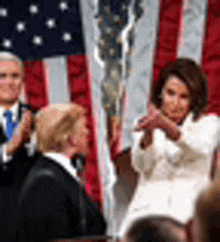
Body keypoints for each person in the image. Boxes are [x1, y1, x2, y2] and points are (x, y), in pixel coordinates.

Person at [118, 58, 219, 236]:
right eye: (170, 93)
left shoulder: (208, 124)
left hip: (187, 219)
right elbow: (141, 165)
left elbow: (200, 148)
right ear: (160, 94)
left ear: (194, 100)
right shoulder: (146, 124)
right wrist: (148, 135)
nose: (175, 103)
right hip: (145, 217)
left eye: (184, 97)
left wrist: (167, 127)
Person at [17, 104, 106, 242]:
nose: (88, 132)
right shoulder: (46, 183)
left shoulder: (58, 175)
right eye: (83, 127)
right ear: (70, 138)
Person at [0, 52, 36, 242]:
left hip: (33, 225)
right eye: (2, 76)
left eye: (15, 76)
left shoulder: (39, 118)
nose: (9, 82)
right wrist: (8, 149)